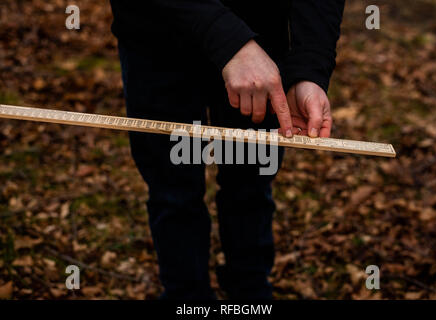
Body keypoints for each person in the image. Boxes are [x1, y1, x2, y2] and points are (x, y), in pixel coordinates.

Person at [109, 0, 345, 299]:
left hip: (263, 46)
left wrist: (309, 69)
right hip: (156, 35)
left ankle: (250, 296)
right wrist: (230, 42)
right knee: (172, 193)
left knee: (250, 184)